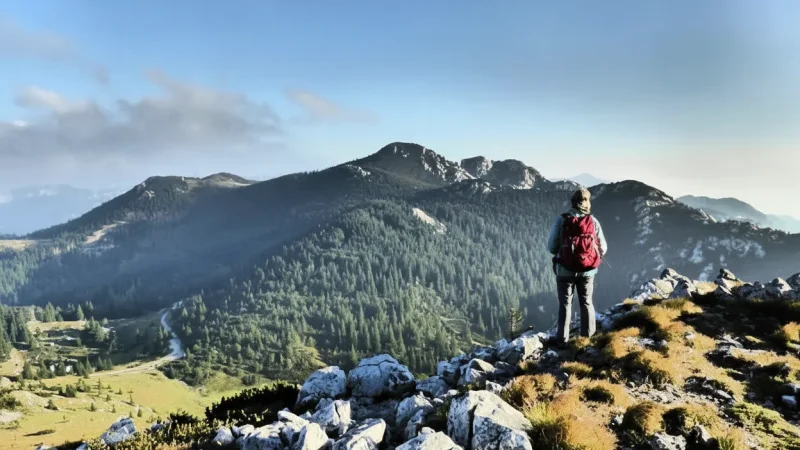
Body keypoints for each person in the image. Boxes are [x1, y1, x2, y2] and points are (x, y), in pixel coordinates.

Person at [546, 188, 608, 346]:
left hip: (565, 271)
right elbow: (603, 248)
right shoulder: (593, 221)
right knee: (586, 302)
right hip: (588, 271)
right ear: (587, 203)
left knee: (565, 305)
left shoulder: (562, 220)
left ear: (572, 202)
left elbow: (552, 247)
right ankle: (587, 340)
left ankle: (562, 341)